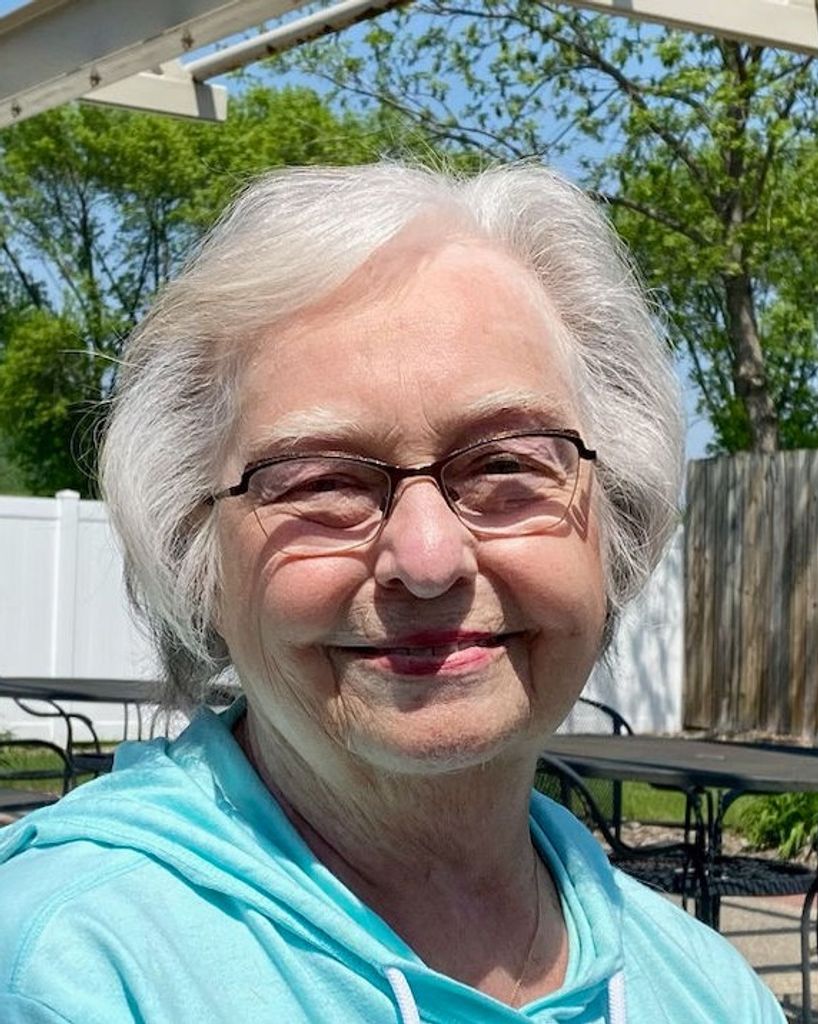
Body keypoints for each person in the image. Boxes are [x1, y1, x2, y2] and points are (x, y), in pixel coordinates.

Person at [0, 163, 783, 1023]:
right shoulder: (68, 973)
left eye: (506, 465)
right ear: (196, 551)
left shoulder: (709, 992)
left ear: (614, 520)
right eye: (321, 481)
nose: (428, 558)